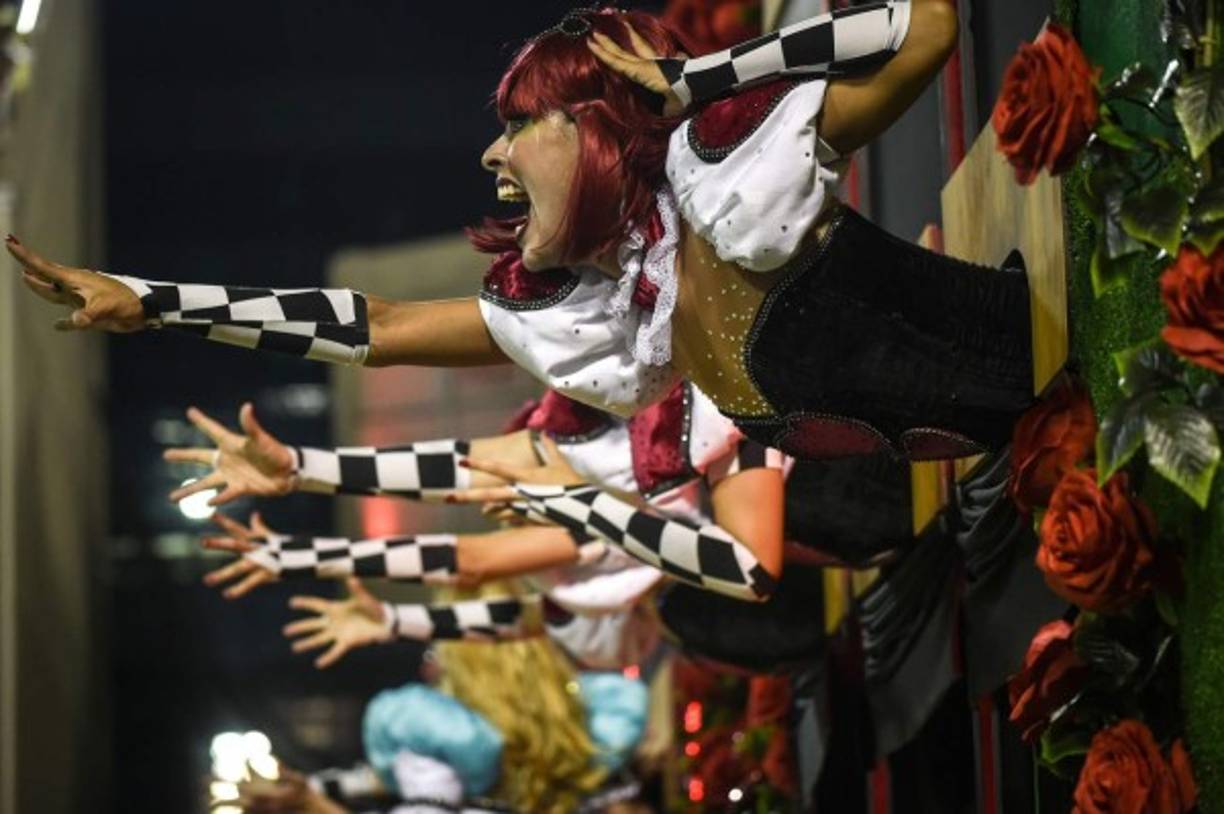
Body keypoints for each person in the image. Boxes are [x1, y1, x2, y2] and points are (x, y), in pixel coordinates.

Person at [9, 1, 1033, 478]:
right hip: (1017, 453)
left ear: (591, 126)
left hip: (1050, 344)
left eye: (516, 125)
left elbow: (930, 27)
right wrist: (155, 304)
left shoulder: (726, 164)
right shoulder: (590, 313)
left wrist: (701, 82)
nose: (493, 159)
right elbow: (378, 322)